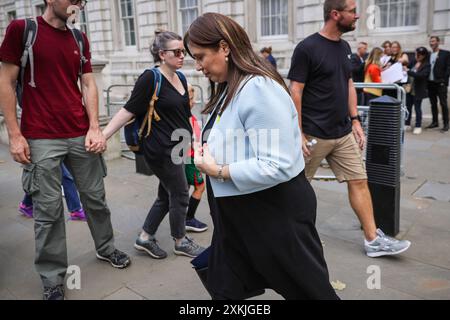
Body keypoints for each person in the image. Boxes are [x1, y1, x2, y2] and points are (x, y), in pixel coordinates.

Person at [185, 12, 339, 300]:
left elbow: (276, 164)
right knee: (224, 289)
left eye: (200, 56)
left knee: (311, 292)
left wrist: (217, 169)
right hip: (238, 217)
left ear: (224, 47)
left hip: (272, 215)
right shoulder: (229, 88)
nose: (197, 67)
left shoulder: (257, 88)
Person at [0, 0, 130, 300]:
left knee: (95, 198)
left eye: (81, 0)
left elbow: (87, 83)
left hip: (79, 132)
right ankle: (53, 278)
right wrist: (15, 134)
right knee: (48, 210)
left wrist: (95, 126)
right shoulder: (22, 30)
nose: (77, 4)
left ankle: (106, 247)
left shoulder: (78, 38)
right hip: (40, 136)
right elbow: (6, 82)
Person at [288, 0, 411, 258]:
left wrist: (355, 120)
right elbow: (295, 91)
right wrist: (297, 132)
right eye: (353, 11)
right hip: (313, 133)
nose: (358, 16)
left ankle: (372, 239)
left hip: (342, 132)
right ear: (335, 14)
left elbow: (348, 84)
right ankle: (288, 242)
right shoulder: (307, 48)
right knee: (296, 189)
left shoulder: (345, 47)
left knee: (359, 180)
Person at [102, 30, 205, 260]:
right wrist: (104, 135)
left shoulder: (181, 78)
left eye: (183, 52)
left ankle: (145, 237)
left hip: (180, 145)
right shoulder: (150, 78)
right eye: (177, 52)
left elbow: (185, 114)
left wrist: (195, 140)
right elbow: (129, 109)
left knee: (166, 195)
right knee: (179, 194)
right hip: (161, 149)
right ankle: (180, 241)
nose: (182, 56)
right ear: (162, 54)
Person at [19, 163, 86, 221]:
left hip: (50, 151)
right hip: (44, 151)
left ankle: (26, 204)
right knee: (66, 178)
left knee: (43, 177)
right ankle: (75, 210)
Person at [184, 84, 208, 232]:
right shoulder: (185, 118)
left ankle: (184, 218)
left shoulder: (189, 116)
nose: (193, 102)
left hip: (190, 158)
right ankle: (189, 219)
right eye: (191, 99)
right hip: (189, 160)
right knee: (200, 186)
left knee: (182, 190)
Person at [406, 47, 431, 135]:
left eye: (419, 55)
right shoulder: (413, 62)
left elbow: (421, 76)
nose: (417, 56)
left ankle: (418, 126)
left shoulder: (427, 65)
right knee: (408, 107)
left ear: (424, 55)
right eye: (416, 54)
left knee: (417, 108)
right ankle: (407, 123)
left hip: (418, 90)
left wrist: (409, 71)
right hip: (409, 88)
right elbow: (406, 68)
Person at [427, 36, 450, 132]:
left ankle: (446, 124)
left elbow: (448, 68)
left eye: (433, 41)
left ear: (438, 42)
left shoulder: (445, 54)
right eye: (430, 41)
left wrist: (444, 81)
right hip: (430, 83)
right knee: (433, 104)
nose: (431, 43)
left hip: (440, 83)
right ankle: (435, 122)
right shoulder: (429, 55)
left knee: (443, 103)